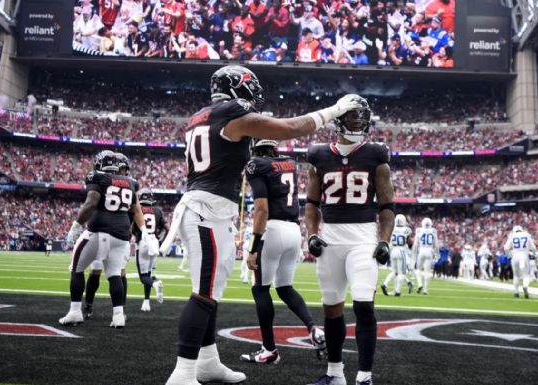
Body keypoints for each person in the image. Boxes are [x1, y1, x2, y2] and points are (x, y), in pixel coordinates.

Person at [158, 65, 361, 385]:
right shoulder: (232, 114)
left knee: (209, 292)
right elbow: (290, 127)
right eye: (250, 88)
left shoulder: (203, 115)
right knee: (203, 295)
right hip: (206, 211)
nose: (254, 95)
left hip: (210, 210)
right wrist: (333, 110)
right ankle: (182, 373)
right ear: (238, 88)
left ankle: (207, 362)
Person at [305, 95, 395, 385]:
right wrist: (311, 235)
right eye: (353, 115)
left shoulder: (376, 154)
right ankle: (334, 374)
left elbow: (387, 206)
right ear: (339, 119)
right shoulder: (318, 155)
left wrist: (384, 240)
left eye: (362, 115)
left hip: (363, 238)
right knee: (331, 307)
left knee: (363, 304)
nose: (358, 120)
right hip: (331, 238)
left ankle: (365, 377)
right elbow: (311, 204)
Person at [239, 139, 325, 364]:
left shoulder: (256, 164)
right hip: (293, 230)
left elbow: (261, 209)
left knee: (260, 290)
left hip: (273, 230)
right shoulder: (289, 162)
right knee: (285, 288)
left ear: (255, 149)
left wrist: (253, 248)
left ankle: (269, 349)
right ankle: (313, 328)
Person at [60, 150, 152, 328]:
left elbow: (91, 202)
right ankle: (118, 316)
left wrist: (76, 225)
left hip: (99, 232)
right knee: (115, 274)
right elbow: (135, 209)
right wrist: (145, 232)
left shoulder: (98, 177)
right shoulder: (130, 182)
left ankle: (75, 312)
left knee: (76, 268)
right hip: (121, 237)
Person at [82, 152, 133, 319]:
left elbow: (134, 210)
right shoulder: (129, 183)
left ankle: (118, 310)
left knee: (117, 272)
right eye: (122, 168)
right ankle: (93, 306)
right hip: (117, 232)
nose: (123, 172)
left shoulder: (102, 179)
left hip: (107, 231)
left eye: (125, 169)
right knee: (100, 271)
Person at [134, 188, 169, 312]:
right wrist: (160, 241)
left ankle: (155, 284)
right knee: (148, 274)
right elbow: (167, 228)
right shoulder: (158, 210)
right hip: (154, 242)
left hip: (143, 242)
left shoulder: (137, 209)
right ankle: (146, 302)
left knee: (144, 277)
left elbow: (131, 228)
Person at [380, 214, 413, 296]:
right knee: (402, 273)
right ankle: (398, 291)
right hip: (401, 251)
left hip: (393, 251)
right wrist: (411, 247)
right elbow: (409, 242)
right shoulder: (406, 229)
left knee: (395, 272)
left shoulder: (392, 229)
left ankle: (385, 284)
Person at [503, 225, 536, 299]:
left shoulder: (512, 235)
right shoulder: (526, 235)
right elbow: (534, 248)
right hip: (524, 257)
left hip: (515, 257)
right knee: (526, 275)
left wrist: (508, 256)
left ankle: (516, 292)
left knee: (516, 276)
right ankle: (525, 286)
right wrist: (534, 255)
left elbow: (506, 248)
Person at [412, 217, 438, 295]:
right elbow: (436, 245)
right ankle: (425, 290)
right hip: (429, 251)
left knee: (418, 270)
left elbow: (415, 245)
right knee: (427, 271)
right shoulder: (433, 231)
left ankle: (420, 284)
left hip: (421, 250)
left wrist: (413, 254)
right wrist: (437, 254)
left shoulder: (419, 230)